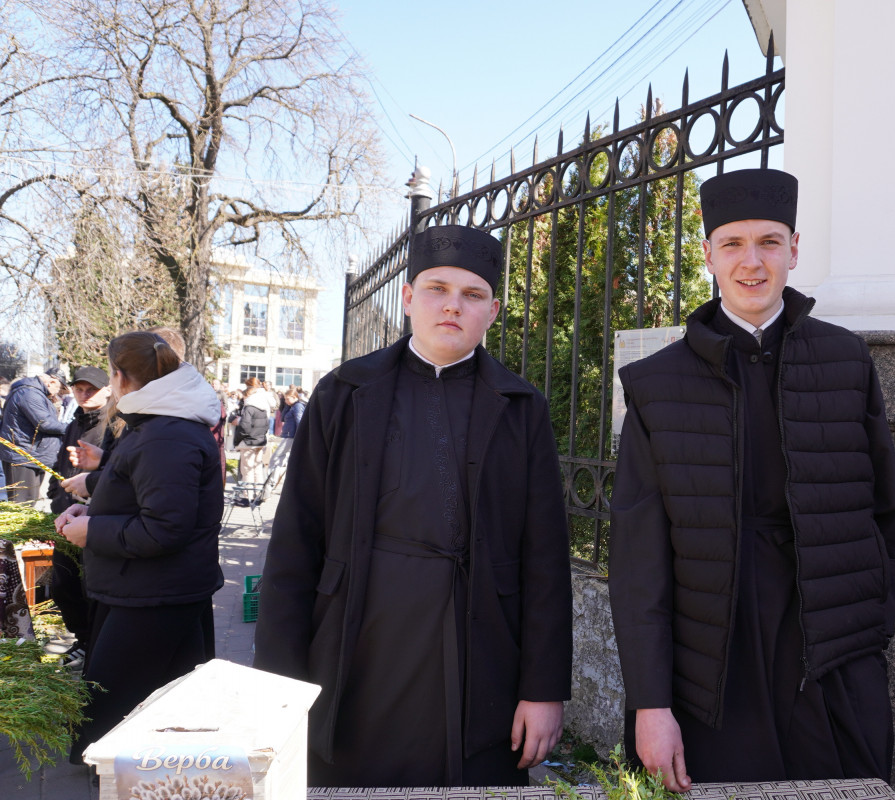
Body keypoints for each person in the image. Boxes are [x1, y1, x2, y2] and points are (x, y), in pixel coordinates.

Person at [609, 168, 895, 790]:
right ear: (708, 256)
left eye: (769, 243)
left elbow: (889, 510)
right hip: (715, 659)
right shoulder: (656, 385)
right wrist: (650, 704)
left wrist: (870, 623)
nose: (753, 262)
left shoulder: (846, 359)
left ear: (794, 251)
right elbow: (638, 561)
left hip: (834, 652)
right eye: (733, 244)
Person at [254, 224, 573, 788]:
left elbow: (544, 559)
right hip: (359, 645)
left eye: (472, 295)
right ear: (407, 298)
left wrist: (544, 689)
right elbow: (295, 544)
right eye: (437, 289)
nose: (453, 306)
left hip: (480, 651)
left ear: (493, 311)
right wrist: (278, 684)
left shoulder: (523, 409)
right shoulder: (344, 393)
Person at [55, 331, 223, 763]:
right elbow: (134, 481)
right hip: (151, 588)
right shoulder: (157, 421)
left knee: (116, 706)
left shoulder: (166, 432)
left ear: (121, 376)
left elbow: (165, 528)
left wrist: (92, 532)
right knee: (169, 702)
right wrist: (91, 506)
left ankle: (127, 776)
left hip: (154, 593)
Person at [45, 366, 112, 669]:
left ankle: (92, 645)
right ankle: (82, 639)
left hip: (92, 518)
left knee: (88, 589)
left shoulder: (114, 424)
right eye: (79, 388)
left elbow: (114, 473)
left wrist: (90, 497)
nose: (84, 395)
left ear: (108, 389)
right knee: (63, 585)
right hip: (66, 515)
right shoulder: (75, 421)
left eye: (91, 389)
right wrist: (54, 496)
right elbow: (61, 462)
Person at [0, 372, 68, 504]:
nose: (56, 393)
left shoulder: (33, 392)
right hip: (23, 455)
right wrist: (71, 428)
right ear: (51, 382)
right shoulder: (29, 393)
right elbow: (45, 423)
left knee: (28, 501)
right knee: (23, 503)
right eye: (58, 389)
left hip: (29, 454)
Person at [232, 376, 271, 487]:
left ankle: (247, 496)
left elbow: (244, 427)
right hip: (259, 441)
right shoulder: (262, 408)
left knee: (247, 470)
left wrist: (237, 440)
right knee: (257, 468)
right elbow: (266, 425)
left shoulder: (249, 408)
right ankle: (258, 493)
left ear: (247, 396)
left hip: (248, 442)